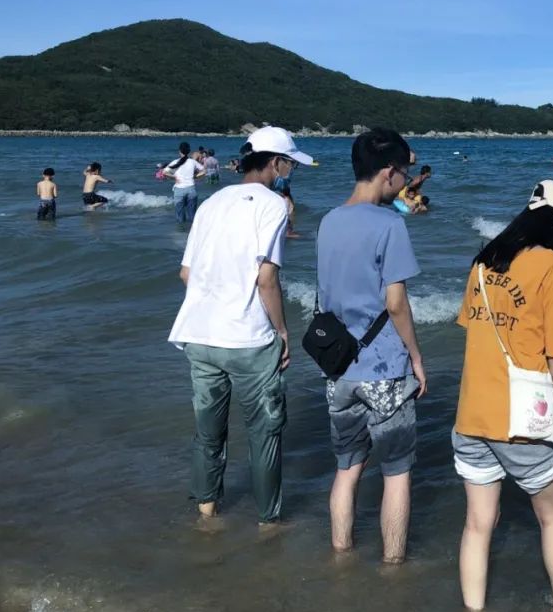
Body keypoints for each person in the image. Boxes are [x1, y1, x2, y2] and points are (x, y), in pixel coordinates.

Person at [168, 126, 311, 528]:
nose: (291, 171)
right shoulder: (274, 205)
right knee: (264, 435)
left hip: (198, 334)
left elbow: (186, 273)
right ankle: (268, 524)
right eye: (290, 164)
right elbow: (267, 278)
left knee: (208, 433)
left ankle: (207, 515)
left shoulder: (212, 202)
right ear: (275, 163)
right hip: (248, 340)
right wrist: (282, 332)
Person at [454, 180, 553, 611]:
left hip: (471, 414)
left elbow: (474, 330)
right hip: (523, 417)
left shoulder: (483, 261)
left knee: (477, 525)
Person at [316, 128, 428, 564]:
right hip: (383, 368)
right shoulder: (390, 224)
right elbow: (396, 303)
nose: (404, 182)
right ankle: (393, 566)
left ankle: (341, 555)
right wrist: (416, 357)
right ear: (388, 172)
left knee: (347, 469)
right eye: (403, 174)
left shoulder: (328, 221)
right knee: (396, 474)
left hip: (339, 368)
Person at [163, 142, 206, 225]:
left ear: (179, 151)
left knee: (180, 219)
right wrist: (195, 176)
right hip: (191, 190)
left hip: (179, 190)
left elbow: (164, 172)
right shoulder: (193, 162)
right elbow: (204, 171)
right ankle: (192, 231)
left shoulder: (175, 162)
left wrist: (174, 177)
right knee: (192, 217)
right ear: (189, 151)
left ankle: (181, 232)